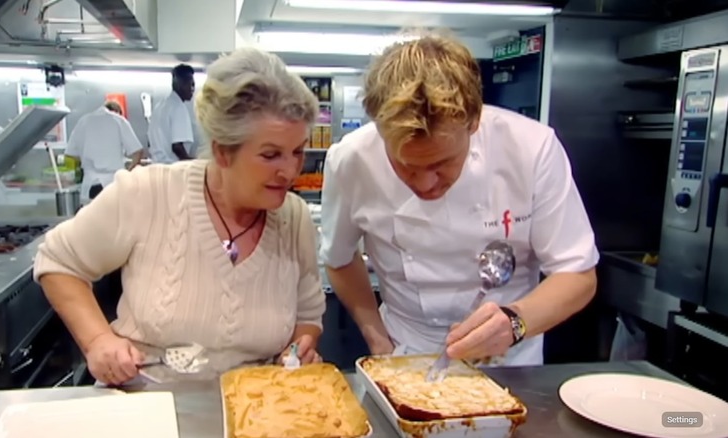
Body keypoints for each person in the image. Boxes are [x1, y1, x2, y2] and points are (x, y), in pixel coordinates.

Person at [33, 47, 325, 386]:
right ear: (222, 151)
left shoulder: (295, 219)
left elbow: (307, 313)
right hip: (145, 406)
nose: (290, 170)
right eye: (271, 155)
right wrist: (99, 341)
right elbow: (58, 262)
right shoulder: (149, 193)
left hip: (253, 410)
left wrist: (299, 349)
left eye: (298, 151)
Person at [320, 33, 599, 367]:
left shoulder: (531, 149)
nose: (425, 183)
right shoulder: (351, 160)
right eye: (406, 166)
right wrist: (378, 339)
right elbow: (339, 259)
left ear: (474, 121)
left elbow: (577, 274)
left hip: (509, 360)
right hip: (404, 351)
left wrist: (514, 322)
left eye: (441, 164)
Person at [65, 100, 144, 203]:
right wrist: (128, 173)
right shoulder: (119, 120)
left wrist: (88, 160)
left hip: (89, 184)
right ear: (117, 111)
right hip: (112, 184)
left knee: (91, 217)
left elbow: (71, 154)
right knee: (113, 217)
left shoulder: (83, 121)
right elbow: (138, 151)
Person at [147, 64, 196, 163]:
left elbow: (149, 141)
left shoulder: (160, 106)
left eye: (193, 85)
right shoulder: (178, 107)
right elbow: (177, 147)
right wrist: (192, 164)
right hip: (171, 167)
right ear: (179, 83)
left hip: (157, 166)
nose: (192, 89)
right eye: (190, 84)